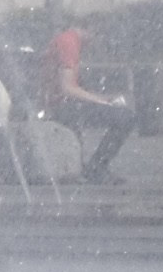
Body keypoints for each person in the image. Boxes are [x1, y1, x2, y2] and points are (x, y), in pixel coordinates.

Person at [43, 15, 133, 181]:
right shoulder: (69, 43)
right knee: (125, 117)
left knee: (119, 114)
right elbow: (67, 88)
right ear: (92, 31)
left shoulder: (67, 40)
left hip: (64, 103)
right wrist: (102, 102)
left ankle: (91, 167)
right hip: (63, 105)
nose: (97, 43)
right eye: (100, 37)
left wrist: (102, 99)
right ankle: (97, 167)